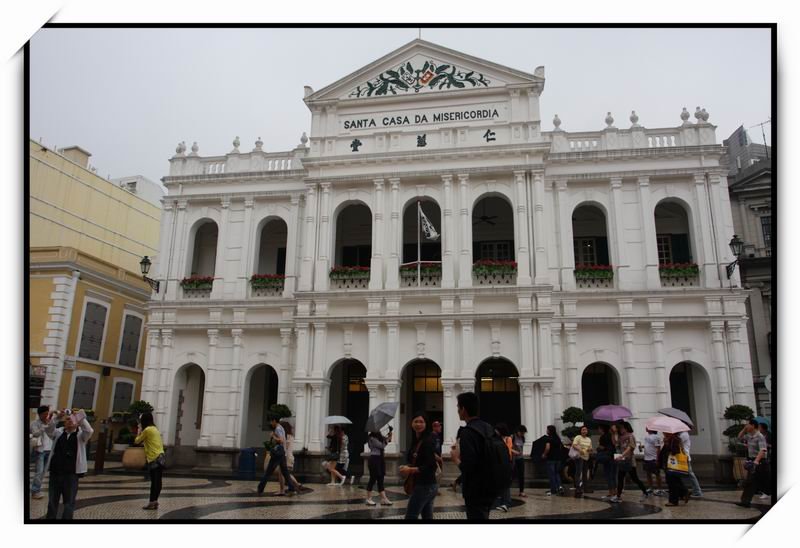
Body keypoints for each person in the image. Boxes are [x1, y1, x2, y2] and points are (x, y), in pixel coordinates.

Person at [449, 392, 496, 520]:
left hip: (475, 489)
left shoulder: (467, 432)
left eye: (458, 407)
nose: (458, 411)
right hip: (491, 485)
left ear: (463, 409)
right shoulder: (488, 427)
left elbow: (469, 467)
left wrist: (455, 458)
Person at [43, 409, 94, 519]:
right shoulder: (58, 433)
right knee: (52, 501)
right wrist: (57, 417)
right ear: (64, 423)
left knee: (69, 502)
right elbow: (48, 430)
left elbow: (89, 430)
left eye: (72, 419)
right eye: (67, 419)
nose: (69, 421)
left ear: (77, 422)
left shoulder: (81, 436)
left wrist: (80, 417)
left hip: (71, 474)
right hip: (55, 472)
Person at [400, 411, 438, 520]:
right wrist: (406, 466)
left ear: (426, 424)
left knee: (411, 516)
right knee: (427, 516)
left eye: (421, 422)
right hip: (426, 485)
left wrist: (410, 470)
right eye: (416, 421)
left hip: (424, 485)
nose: (418, 424)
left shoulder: (427, 441)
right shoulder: (417, 440)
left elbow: (431, 466)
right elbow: (415, 460)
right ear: (411, 423)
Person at [257, 414, 301, 496]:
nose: (270, 423)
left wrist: (273, 436)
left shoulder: (277, 428)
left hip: (278, 452)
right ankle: (291, 488)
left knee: (269, 471)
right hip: (282, 452)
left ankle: (260, 488)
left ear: (274, 420)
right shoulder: (281, 427)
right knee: (285, 472)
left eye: (271, 421)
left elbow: (281, 440)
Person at [611, 422, 649, 503]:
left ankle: (645, 492)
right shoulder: (620, 437)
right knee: (620, 478)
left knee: (635, 478)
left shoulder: (630, 436)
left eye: (621, 428)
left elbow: (631, 447)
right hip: (622, 460)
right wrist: (614, 433)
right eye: (620, 428)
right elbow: (615, 443)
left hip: (629, 460)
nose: (620, 430)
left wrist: (622, 455)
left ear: (626, 428)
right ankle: (618, 496)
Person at [134, 412, 165, 510]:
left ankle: (152, 502)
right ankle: (155, 501)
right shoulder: (154, 429)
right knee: (158, 481)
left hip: (153, 458)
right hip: (161, 456)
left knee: (154, 481)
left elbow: (137, 441)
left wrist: (139, 430)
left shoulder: (147, 430)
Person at [736, 419, 768, 508]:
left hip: (759, 461)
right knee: (751, 481)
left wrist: (756, 461)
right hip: (752, 460)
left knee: (757, 481)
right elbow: (739, 437)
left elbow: (763, 450)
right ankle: (745, 501)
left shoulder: (760, 436)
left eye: (748, 425)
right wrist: (744, 429)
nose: (747, 426)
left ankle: (746, 501)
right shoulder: (749, 436)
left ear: (753, 425)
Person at [365, 428, 393, 506]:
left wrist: (390, 433)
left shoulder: (379, 437)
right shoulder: (372, 438)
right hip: (374, 459)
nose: (378, 430)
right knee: (373, 479)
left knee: (380, 478)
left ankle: (384, 499)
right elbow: (382, 446)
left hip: (380, 459)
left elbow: (387, 440)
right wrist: (386, 440)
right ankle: (368, 498)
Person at [30, 405, 53, 500]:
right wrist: (44, 426)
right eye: (44, 414)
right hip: (40, 450)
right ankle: (35, 491)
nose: (46, 415)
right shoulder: (34, 423)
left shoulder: (49, 421)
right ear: (40, 414)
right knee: (39, 471)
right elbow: (35, 433)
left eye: (47, 413)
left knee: (43, 472)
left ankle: (37, 489)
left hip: (49, 449)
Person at [661, 432, 689, 506]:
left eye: (664, 431)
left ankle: (673, 501)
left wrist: (666, 443)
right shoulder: (671, 439)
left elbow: (675, 451)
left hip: (672, 465)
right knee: (676, 481)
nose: (663, 433)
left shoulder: (674, 439)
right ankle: (684, 492)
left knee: (672, 483)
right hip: (670, 464)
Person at [277, 421, 302, 495]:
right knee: (285, 473)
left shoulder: (286, 436)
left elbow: (285, 446)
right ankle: (296, 485)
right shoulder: (290, 436)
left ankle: (283, 490)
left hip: (286, 457)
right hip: (289, 456)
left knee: (282, 473)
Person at [493, 423, 513, 512]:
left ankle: (506, 503)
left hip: (504, 466)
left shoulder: (501, 442)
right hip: (505, 465)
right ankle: (504, 503)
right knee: (504, 485)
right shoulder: (501, 441)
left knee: (505, 486)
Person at [677, 429, 703, 497]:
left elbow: (678, 443)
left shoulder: (684, 434)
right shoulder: (681, 434)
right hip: (682, 457)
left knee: (691, 475)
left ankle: (697, 491)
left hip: (684, 457)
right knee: (681, 475)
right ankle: (685, 491)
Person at [542, 425, 565, 496]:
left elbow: (547, 448)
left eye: (547, 429)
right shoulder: (557, 438)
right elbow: (561, 447)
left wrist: (544, 454)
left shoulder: (548, 438)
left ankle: (553, 491)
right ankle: (560, 487)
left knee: (551, 475)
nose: (546, 431)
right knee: (557, 473)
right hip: (558, 459)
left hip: (551, 459)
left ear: (549, 431)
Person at [595, 423, 617, 500]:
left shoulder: (603, 437)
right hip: (613, 457)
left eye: (599, 429)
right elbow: (614, 444)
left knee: (608, 475)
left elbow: (602, 447)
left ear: (602, 429)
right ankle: (614, 493)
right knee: (613, 475)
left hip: (606, 458)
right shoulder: (611, 435)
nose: (598, 430)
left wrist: (598, 448)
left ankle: (611, 493)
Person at [571, 425, 593, 497]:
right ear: (580, 431)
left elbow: (590, 448)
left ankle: (585, 488)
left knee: (584, 473)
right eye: (583, 430)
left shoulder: (589, 439)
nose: (584, 431)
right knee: (578, 472)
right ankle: (578, 488)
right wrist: (580, 450)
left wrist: (590, 450)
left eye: (585, 430)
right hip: (579, 457)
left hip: (586, 457)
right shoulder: (578, 437)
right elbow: (574, 445)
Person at [642, 428, 664, 496]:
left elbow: (658, 448)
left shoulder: (656, 437)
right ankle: (650, 487)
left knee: (657, 474)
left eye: (648, 427)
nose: (646, 428)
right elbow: (648, 445)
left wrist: (657, 459)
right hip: (647, 458)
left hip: (653, 458)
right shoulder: (646, 437)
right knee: (648, 473)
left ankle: (660, 489)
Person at [756, 423, 772, 500]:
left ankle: (767, 492)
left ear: (763, 428)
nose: (758, 428)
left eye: (759, 427)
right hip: (760, 457)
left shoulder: (769, 435)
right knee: (761, 474)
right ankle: (762, 490)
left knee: (766, 475)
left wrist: (768, 445)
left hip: (768, 457)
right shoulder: (758, 436)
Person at [512, 425, 527, 498]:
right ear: (518, 431)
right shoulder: (512, 437)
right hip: (513, 459)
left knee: (521, 475)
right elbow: (507, 447)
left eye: (524, 433)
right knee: (512, 475)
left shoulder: (522, 438)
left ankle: (521, 491)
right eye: (522, 433)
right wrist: (514, 452)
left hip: (520, 458)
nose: (523, 434)